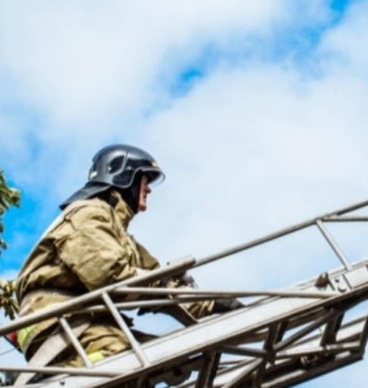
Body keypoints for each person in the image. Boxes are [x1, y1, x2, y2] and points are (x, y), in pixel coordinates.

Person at [13, 144, 241, 382]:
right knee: (121, 362)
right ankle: (42, 380)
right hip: (56, 321)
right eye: (145, 179)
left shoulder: (119, 235)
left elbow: (157, 281)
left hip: (87, 319)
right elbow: (112, 278)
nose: (149, 189)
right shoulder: (88, 213)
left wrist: (213, 304)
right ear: (124, 177)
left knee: (169, 360)